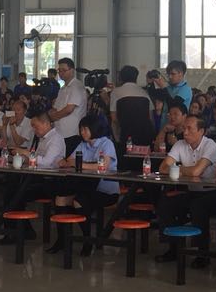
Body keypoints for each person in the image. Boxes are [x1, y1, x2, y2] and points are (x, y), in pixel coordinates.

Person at [156, 115, 216, 263]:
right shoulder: (180, 144)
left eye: (190, 129)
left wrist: (177, 169)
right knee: (166, 204)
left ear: (201, 131)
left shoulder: (210, 145)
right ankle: (173, 248)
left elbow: (196, 172)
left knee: (198, 206)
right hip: (191, 191)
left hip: (212, 193)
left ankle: (202, 254)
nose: (185, 132)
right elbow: (163, 168)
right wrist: (186, 170)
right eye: (184, 128)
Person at [54, 113, 118, 256]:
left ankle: (87, 240)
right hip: (85, 187)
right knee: (60, 198)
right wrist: (86, 164)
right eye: (81, 129)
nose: (82, 132)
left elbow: (103, 166)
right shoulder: (83, 144)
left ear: (95, 128)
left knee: (79, 201)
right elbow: (68, 161)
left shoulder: (106, 143)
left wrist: (80, 164)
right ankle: (62, 239)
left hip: (105, 191)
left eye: (85, 129)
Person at [109, 65, 154, 148]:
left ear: (121, 78)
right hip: (145, 136)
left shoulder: (115, 92)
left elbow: (114, 119)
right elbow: (150, 118)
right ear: (136, 77)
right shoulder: (144, 93)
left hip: (125, 135)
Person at [49, 58, 88, 152]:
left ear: (72, 70)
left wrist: (54, 117)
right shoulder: (63, 88)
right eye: (59, 70)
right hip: (60, 132)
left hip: (72, 133)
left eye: (64, 70)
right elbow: (56, 107)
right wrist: (50, 115)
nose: (61, 73)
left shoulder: (76, 86)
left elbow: (69, 109)